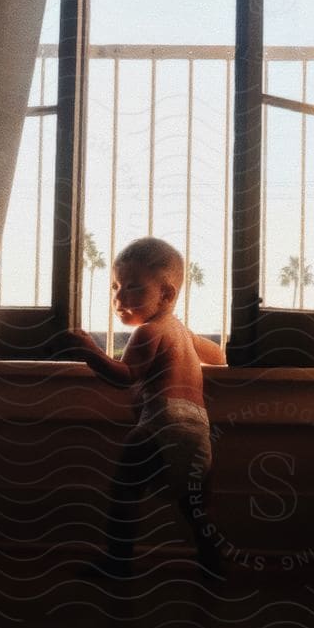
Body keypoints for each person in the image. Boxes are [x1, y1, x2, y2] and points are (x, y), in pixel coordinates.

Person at [65, 236, 226, 581]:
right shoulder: (182, 332)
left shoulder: (148, 332)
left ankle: (118, 562)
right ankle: (214, 566)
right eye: (115, 287)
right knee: (195, 506)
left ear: (166, 295)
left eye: (134, 288)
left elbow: (125, 376)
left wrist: (89, 350)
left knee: (125, 489)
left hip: (162, 422)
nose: (119, 298)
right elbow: (218, 356)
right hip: (198, 429)